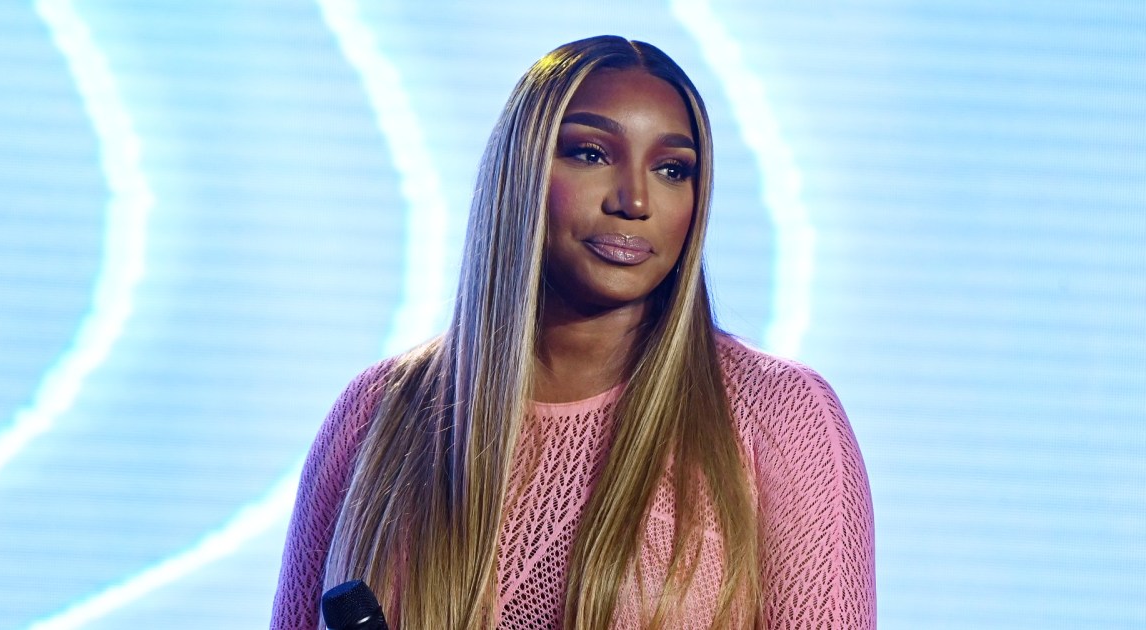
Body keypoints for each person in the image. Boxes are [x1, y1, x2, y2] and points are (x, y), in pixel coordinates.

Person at [271, 35, 875, 629]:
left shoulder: (779, 412)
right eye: (591, 154)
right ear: (521, 173)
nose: (634, 201)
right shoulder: (377, 412)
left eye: (672, 169)